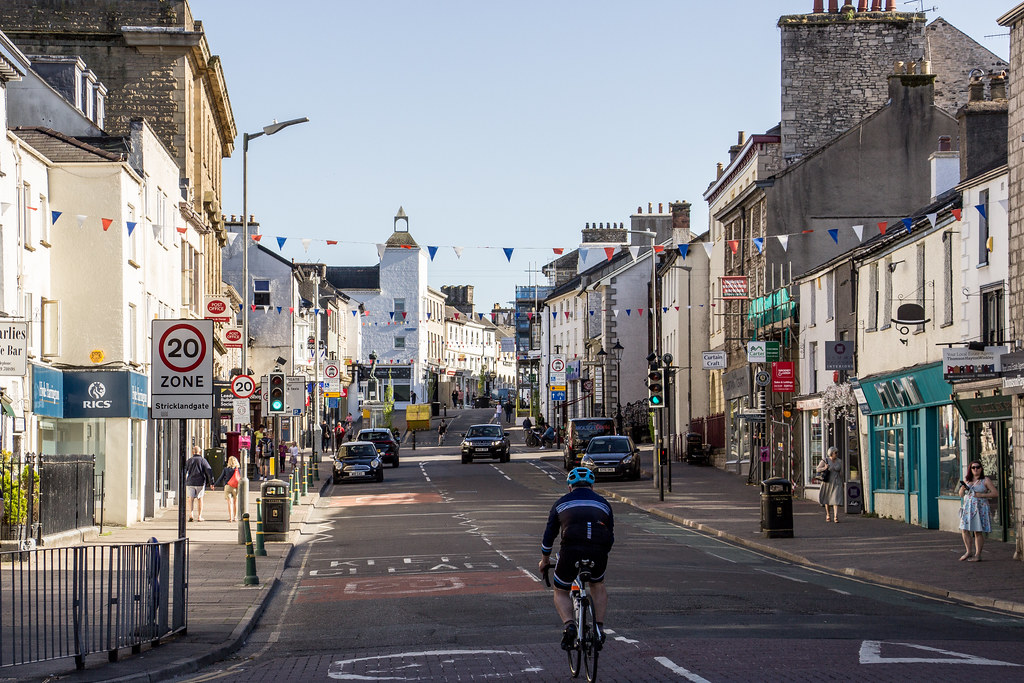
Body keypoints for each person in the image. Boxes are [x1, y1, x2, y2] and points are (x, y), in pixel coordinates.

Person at [539, 467, 614, 651]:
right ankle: (599, 628)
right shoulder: (604, 504)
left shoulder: (560, 503)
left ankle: (569, 625)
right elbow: (610, 536)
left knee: (561, 589)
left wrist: (545, 561)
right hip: (598, 550)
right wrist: (601, 553)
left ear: (570, 487)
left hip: (571, 550)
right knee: (597, 585)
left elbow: (549, 537)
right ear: (592, 486)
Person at [958, 460, 998, 561]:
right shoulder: (967, 480)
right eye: (973, 467)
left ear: (981, 469)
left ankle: (978, 554)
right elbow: (961, 495)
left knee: (977, 531)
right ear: (970, 469)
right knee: (964, 529)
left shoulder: (985, 480)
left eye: (978, 467)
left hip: (979, 507)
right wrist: (962, 489)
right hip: (968, 507)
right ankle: (968, 551)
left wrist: (981, 495)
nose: (976, 469)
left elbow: (995, 493)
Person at [184, 446, 214, 522]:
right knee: (200, 499)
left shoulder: (189, 461)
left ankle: (191, 514)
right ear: (200, 452)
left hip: (190, 482)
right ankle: (199, 516)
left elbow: (184, 470)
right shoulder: (203, 460)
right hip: (200, 482)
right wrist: (211, 482)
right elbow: (209, 471)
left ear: (193, 452)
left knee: (190, 499)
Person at [815, 447, 845, 523]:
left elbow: (841, 473)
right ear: (831, 453)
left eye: (837, 453)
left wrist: (842, 482)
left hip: (836, 482)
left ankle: (836, 516)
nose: (837, 454)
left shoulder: (839, 461)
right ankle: (828, 514)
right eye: (835, 453)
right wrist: (824, 468)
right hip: (827, 482)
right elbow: (817, 469)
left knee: (836, 499)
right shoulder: (825, 460)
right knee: (827, 499)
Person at [212, 456, 241, 522]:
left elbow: (220, 478)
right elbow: (241, 478)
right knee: (235, 502)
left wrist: (215, 485)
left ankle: (230, 517)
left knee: (229, 502)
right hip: (236, 487)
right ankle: (235, 517)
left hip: (228, 486)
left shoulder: (226, 469)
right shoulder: (238, 470)